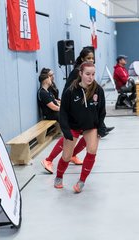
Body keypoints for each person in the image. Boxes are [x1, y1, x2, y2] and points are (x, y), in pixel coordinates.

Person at [55, 61, 106, 193]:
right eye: (87, 74)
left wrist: (101, 127)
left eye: (93, 74)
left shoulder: (98, 90)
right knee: (67, 156)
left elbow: (102, 111)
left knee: (92, 150)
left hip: (90, 126)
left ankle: (82, 181)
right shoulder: (70, 91)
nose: (91, 77)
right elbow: (63, 113)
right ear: (80, 74)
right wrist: (65, 130)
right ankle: (59, 176)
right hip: (73, 126)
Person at [38, 72, 84, 174]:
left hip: (74, 115)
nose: (52, 78)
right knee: (69, 136)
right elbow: (54, 106)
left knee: (89, 134)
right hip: (54, 114)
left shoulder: (49, 91)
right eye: (50, 76)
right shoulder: (43, 92)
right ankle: (49, 160)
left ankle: (71, 155)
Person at [65, 46, 114, 134]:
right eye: (88, 58)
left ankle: (101, 127)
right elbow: (68, 89)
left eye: (92, 58)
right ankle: (100, 127)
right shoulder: (77, 71)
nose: (91, 60)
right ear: (82, 58)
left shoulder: (88, 70)